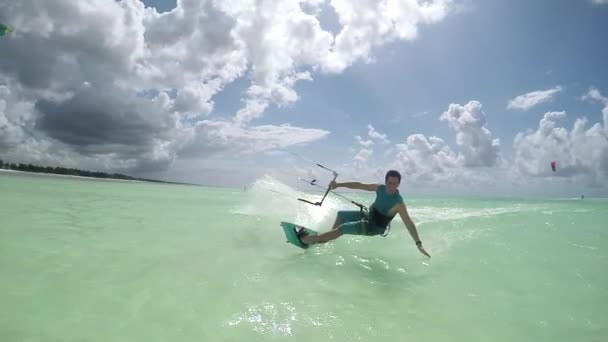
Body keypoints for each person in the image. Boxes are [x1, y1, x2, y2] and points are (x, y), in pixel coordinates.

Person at [299, 170, 430, 258]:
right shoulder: (380, 188)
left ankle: (312, 240)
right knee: (341, 214)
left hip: (374, 227)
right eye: (389, 182)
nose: (391, 186)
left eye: (395, 183)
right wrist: (338, 185)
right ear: (386, 182)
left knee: (343, 229)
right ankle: (328, 240)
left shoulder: (399, 203)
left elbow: (409, 223)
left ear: (399, 184)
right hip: (369, 216)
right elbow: (359, 185)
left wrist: (419, 244)